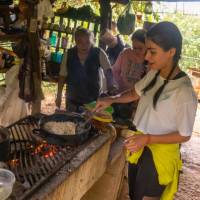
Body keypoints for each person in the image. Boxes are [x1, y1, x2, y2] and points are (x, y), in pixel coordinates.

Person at [94, 21, 198, 200]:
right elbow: (134, 93)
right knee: (134, 194)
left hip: (159, 156)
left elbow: (184, 134)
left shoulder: (184, 90)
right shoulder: (154, 74)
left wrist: (148, 138)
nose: (146, 57)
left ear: (171, 52)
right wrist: (110, 99)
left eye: (152, 51)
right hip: (140, 144)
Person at [55, 27, 115, 113]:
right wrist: (59, 95)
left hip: (93, 101)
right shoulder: (68, 55)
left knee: (89, 123)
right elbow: (62, 76)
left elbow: (108, 71)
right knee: (72, 122)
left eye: (87, 42)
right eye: (80, 42)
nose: (84, 45)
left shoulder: (99, 53)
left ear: (92, 41)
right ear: (75, 41)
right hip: (72, 100)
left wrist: (111, 87)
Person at [111, 29, 147, 121]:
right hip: (121, 95)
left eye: (140, 48)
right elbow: (115, 71)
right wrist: (118, 85)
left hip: (138, 102)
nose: (136, 51)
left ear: (147, 46)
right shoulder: (126, 53)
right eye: (134, 47)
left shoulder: (150, 59)